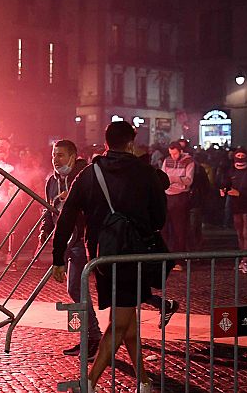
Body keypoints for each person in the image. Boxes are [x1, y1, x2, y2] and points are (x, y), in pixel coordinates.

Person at [51, 121, 166, 392]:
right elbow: (159, 217)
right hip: (134, 255)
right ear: (130, 143)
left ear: (105, 143)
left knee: (128, 322)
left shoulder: (90, 174)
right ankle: (89, 382)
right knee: (120, 323)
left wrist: (58, 256)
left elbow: (67, 216)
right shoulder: (144, 172)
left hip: (102, 255)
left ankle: (144, 382)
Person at [39, 140, 101, 359]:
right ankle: (90, 337)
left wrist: (76, 201)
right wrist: (45, 230)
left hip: (83, 239)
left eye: (61, 155)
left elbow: (97, 206)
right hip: (65, 241)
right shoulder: (51, 181)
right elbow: (48, 209)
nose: (56, 160)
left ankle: (93, 337)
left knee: (79, 287)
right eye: (54, 155)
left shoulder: (85, 178)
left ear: (74, 157)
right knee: (75, 289)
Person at [219, 148, 247, 273]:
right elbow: (225, 183)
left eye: (242, 156)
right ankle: (243, 258)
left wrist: (240, 193)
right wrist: (223, 189)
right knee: (239, 233)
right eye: (238, 155)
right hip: (235, 206)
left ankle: (246, 260)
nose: (240, 158)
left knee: (246, 233)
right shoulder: (231, 170)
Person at [162, 141, 195, 264]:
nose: (173, 156)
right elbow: (162, 175)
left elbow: (188, 180)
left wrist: (173, 179)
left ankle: (178, 260)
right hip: (167, 195)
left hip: (180, 197)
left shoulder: (189, 161)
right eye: (171, 154)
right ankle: (165, 257)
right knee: (164, 229)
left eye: (175, 154)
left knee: (179, 229)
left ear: (180, 151)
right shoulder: (167, 160)